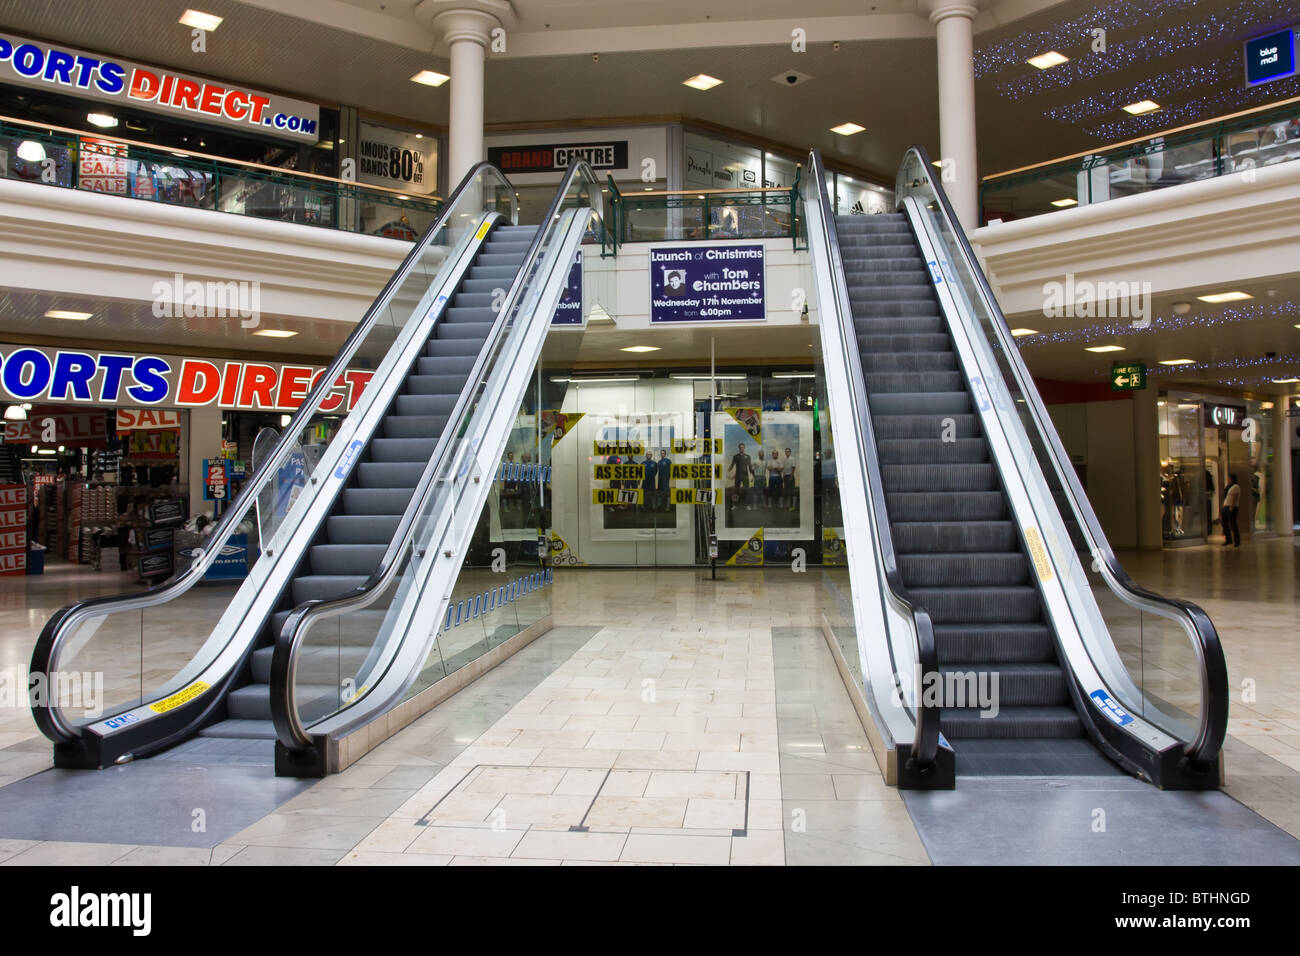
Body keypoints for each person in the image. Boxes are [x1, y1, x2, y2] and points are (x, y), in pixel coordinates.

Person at [728, 442, 752, 515]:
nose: (741, 448)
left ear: (744, 448)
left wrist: (752, 474)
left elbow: (750, 467)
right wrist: (727, 471)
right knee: (736, 491)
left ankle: (747, 505)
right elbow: (732, 465)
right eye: (740, 447)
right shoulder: (735, 456)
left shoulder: (748, 456)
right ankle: (735, 505)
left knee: (747, 490)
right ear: (739, 448)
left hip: (745, 476)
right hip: (737, 476)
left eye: (743, 447)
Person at [1222, 473, 1241, 547]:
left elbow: (1235, 497)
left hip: (1232, 507)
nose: (1228, 479)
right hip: (1226, 506)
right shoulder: (1228, 487)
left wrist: (1231, 507)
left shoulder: (1236, 486)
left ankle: (1237, 541)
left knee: (1233, 524)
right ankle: (1228, 539)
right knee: (1225, 524)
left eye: (1229, 478)